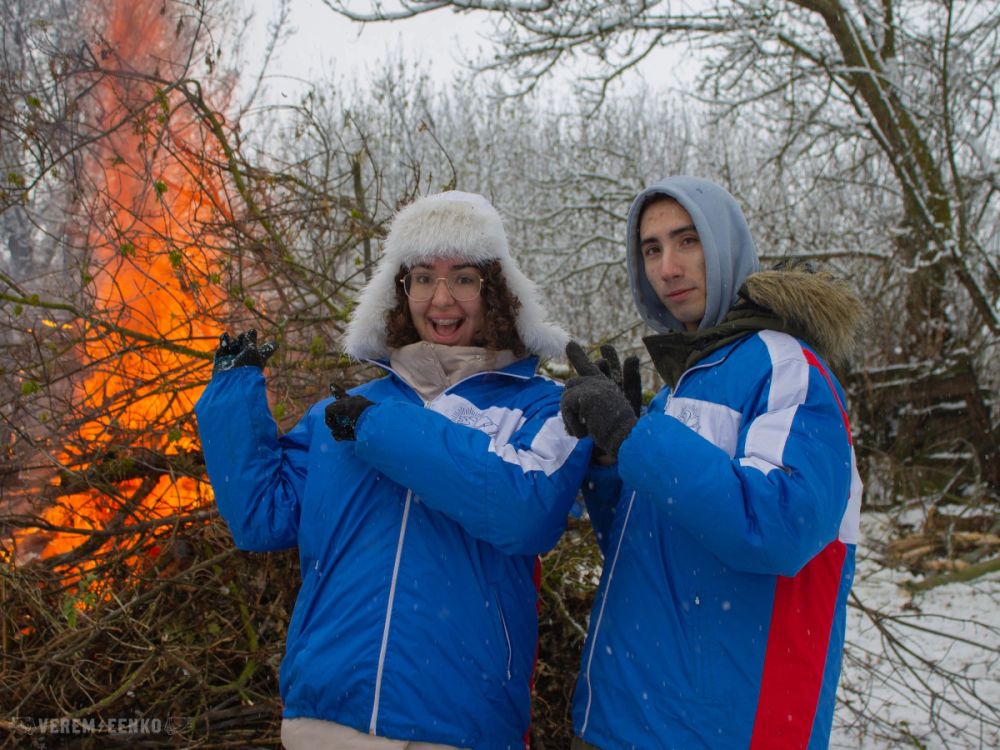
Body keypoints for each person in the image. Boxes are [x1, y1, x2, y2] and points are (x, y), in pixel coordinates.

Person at [194, 191, 591, 749]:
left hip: (458, 722)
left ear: (497, 291)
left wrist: (383, 430)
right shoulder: (346, 409)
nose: (441, 298)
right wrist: (232, 400)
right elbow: (262, 518)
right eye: (423, 277)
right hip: (327, 715)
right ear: (400, 291)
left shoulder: (542, 407)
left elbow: (525, 512)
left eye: (465, 278)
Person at [560, 176, 864, 749]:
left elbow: (778, 528)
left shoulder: (786, 368)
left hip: (728, 728)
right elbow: (647, 550)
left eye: (687, 240)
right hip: (618, 720)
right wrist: (608, 461)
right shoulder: (678, 390)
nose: (668, 268)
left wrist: (635, 440)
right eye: (651, 249)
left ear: (725, 244)